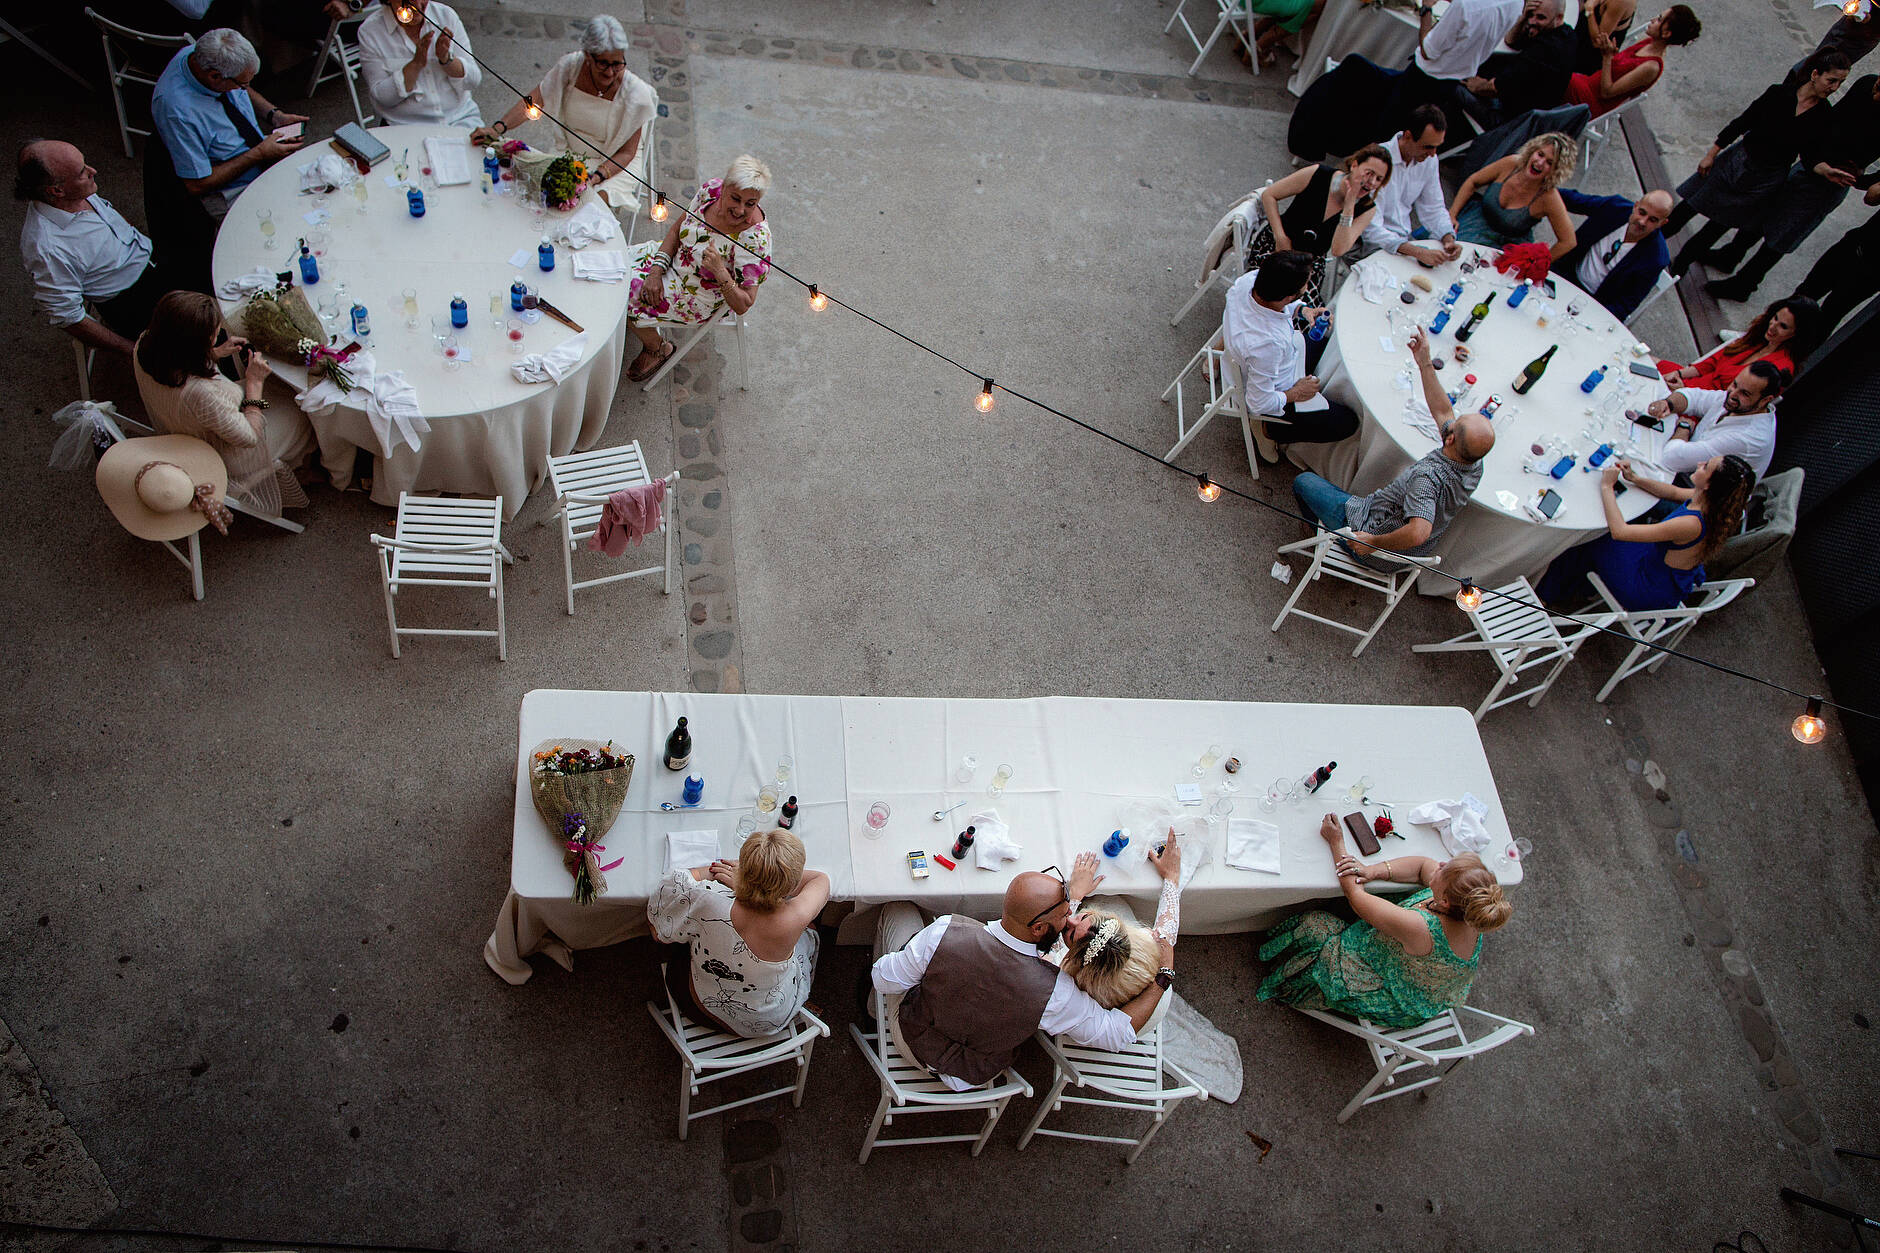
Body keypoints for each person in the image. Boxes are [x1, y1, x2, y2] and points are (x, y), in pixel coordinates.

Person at [869, 858, 1172, 1090]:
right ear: (1039, 928)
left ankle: (873, 1009)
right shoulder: (1057, 992)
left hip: (914, 1045)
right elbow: (1117, 1033)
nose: (1070, 918)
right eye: (1065, 914)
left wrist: (924, 958)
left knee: (898, 911)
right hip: (975, 1072)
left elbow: (883, 979)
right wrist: (1164, 976)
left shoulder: (944, 931)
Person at [1256, 816, 1512, 1029]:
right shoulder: (1468, 907)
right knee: (1377, 896)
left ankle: (1291, 986)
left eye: (1444, 870)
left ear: (1444, 902)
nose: (1441, 864)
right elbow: (1423, 866)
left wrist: (1336, 842)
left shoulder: (1421, 928)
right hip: (1412, 969)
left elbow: (1355, 896)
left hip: (1391, 989)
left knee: (1315, 925)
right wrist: (1373, 870)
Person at [1290, 328, 1496, 566]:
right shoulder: (1473, 462)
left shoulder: (1427, 479)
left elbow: (1419, 532)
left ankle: (1319, 532)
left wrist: (1372, 543)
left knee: (1304, 481)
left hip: (1373, 543)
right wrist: (1424, 363)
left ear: (1450, 440)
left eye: (1456, 423)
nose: (1451, 420)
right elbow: (1443, 410)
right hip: (1409, 553)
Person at [1665, 51, 1849, 278]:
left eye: (1840, 83)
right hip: (1738, 161)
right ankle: (1646, 240)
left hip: (1767, 179)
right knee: (1690, 206)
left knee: (1719, 225)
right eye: (1831, 80)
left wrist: (1825, 169)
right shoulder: (1779, 93)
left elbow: (1810, 155)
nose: (1834, 88)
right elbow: (1744, 121)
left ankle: (1682, 263)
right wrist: (1712, 153)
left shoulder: (1823, 115)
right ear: (1815, 75)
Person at [132, 291, 316, 517]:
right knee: (300, 407)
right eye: (213, 335)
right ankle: (304, 466)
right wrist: (254, 383)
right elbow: (249, 437)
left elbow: (177, 362)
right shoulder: (201, 393)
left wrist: (214, 353)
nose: (217, 334)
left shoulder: (146, 344)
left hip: (181, 424)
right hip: (226, 454)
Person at [1704, 72, 1880, 305]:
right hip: (1812, 162)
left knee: (1784, 233)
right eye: (1879, 85)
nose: (1876, 90)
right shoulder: (1866, 83)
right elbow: (1832, 119)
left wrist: (1858, 180)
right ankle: (1731, 254)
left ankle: (1745, 283)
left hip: (1830, 183)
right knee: (1765, 209)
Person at [646, 828, 828, 1038]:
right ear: (792, 885)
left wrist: (746, 883)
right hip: (770, 1019)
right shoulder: (795, 916)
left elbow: (669, 893)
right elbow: (821, 879)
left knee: (680, 934)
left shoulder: (707, 900)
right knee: (810, 929)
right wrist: (769, 882)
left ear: (743, 871)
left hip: (704, 1009)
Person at [470, 16, 656, 214]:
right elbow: (534, 100)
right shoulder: (570, 67)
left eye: (617, 64)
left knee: (590, 206)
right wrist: (498, 129)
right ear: (588, 55)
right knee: (541, 197)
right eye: (603, 64)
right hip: (569, 152)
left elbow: (627, 153)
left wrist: (595, 177)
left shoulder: (636, 94)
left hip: (615, 162)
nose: (610, 72)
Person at [624, 154, 773, 382]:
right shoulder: (710, 191)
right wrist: (656, 271)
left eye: (750, 203)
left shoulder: (755, 238)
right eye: (735, 198)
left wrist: (720, 271)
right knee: (615, 264)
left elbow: (744, 304)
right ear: (724, 188)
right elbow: (676, 230)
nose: (741, 210)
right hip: (672, 259)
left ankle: (657, 348)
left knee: (620, 295)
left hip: (697, 296)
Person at [1538, 453, 1756, 609]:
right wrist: (1635, 478)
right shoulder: (1713, 503)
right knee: (1612, 528)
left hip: (1646, 585)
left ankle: (1546, 596)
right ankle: (1578, 587)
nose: (1699, 464)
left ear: (1710, 485)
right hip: (1657, 561)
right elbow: (1673, 492)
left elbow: (1620, 532)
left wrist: (1606, 487)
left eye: (1705, 467)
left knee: (1589, 539)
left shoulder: (1691, 523)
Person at [16, 140, 171, 359]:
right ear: (57, 190)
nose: (93, 171)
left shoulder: (76, 191)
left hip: (150, 256)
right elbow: (69, 317)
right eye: (82, 172)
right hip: (132, 299)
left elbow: (113, 221)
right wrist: (134, 351)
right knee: (208, 336)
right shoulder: (46, 248)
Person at [1222, 250, 1361, 464]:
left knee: (1327, 345)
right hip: (1265, 387)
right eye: (1303, 289)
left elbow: (1279, 303)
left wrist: (1303, 310)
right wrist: (1296, 393)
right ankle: (1268, 430)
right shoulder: (1267, 345)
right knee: (1348, 424)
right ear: (1287, 297)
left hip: (1263, 360)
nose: (1307, 288)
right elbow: (1258, 403)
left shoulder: (1250, 281)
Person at [150, 29, 308, 217]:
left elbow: (242, 87)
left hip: (256, 149)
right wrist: (259, 154)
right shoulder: (177, 112)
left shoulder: (205, 54)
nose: (245, 89)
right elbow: (196, 184)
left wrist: (274, 115)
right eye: (242, 85)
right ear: (215, 77)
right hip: (231, 189)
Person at [1248, 144, 1393, 304]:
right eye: (1369, 173)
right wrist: (1280, 236)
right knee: (1270, 293)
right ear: (1354, 165)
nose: (1371, 182)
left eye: (1378, 179)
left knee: (1302, 311)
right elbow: (1269, 195)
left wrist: (1349, 206)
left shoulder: (1367, 209)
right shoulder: (1318, 174)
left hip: (1309, 264)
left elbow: (1338, 250)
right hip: (1277, 244)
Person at [1061, 839, 1184, 1010]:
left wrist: (1074, 895)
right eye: (1084, 917)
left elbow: (1053, 949)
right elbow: (1168, 927)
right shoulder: (1152, 946)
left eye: (1071, 934)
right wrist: (1171, 877)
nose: (1068, 919)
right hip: (1155, 996)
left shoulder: (1071, 987)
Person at [1389, 0, 1528, 124]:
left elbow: (1428, 51)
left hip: (1424, 78)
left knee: (1391, 124)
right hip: (1452, 84)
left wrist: (1426, 8)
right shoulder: (1517, 3)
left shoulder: (1464, 5)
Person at [1360, 105, 1465, 267]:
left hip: (1403, 241)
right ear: (1408, 136)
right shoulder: (1377, 161)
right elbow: (1370, 229)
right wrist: (1416, 252)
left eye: (1437, 146)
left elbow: (1434, 208)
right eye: (1428, 146)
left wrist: (1448, 239)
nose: (1433, 153)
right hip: (1368, 245)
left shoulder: (1429, 161)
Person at [1451, 0, 1577, 131]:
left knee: (1450, 81)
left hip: (1509, 123)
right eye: (1531, 15)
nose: (1532, 21)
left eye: (1540, 17)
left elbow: (1493, 89)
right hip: (1528, 112)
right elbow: (1511, 41)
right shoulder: (1567, 34)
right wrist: (1523, 17)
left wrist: (1474, 85)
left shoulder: (1543, 51)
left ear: (1559, 17)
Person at [1647, 361, 1787, 478]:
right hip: (1684, 463)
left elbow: (1672, 459)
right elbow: (1696, 397)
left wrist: (1684, 428)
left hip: (1691, 491)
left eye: (1744, 393)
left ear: (1765, 400)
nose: (1732, 394)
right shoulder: (1741, 403)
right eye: (1734, 384)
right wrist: (1668, 404)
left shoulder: (1747, 439)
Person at [356, 0, 483, 129]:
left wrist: (446, 59)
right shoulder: (371, 31)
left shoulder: (445, 15)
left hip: (459, 119)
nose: (417, 6)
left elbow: (474, 80)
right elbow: (382, 97)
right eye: (408, 1)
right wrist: (416, 64)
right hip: (406, 127)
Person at [1448, 132, 1579, 256]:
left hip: (1506, 246)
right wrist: (1452, 214)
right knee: (1449, 248)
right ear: (1532, 151)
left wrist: (1538, 264)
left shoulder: (1549, 197)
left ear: (1556, 171)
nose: (1540, 163)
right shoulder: (1511, 164)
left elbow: (1568, 241)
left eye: (1549, 163)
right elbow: (1473, 182)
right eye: (1540, 154)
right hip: (1475, 222)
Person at [1565, 5, 1702, 120]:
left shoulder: (1651, 67)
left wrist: (1607, 58)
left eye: (1659, 20)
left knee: (1556, 72)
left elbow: (1607, 92)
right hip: (1587, 83)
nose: (1652, 20)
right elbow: (1620, 65)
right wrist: (1610, 53)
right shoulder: (1648, 42)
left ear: (1666, 33)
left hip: (1590, 101)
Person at [1555, 188, 1673, 320]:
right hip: (1563, 275)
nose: (1642, 222)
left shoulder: (1656, 259)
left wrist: (1593, 318)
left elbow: (1625, 304)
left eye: (1652, 220)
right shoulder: (1614, 207)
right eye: (1642, 213)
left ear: (1662, 223)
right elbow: (1576, 201)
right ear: (1635, 206)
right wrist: (1543, 186)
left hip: (1596, 306)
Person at [1655, 296, 1818, 392]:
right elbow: (1712, 362)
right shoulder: (1759, 337)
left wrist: (1685, 391)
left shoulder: (1779, 369)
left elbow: (1733, 402)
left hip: (1699, 405)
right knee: (1646, 361)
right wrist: (1680, 373)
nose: (1773, 326)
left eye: (1783, 326)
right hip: (1691, 383)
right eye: (1775, 318)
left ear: (1796, 334)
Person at [1794, 185, 1880, 334]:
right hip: (1853, 246)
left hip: (1871, 274)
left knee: (1830, 315)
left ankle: (1800, 347)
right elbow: (1870, 198)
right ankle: (1761, 339)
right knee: (1804, 294)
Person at [1570, 0, 1637, 76]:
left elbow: (1597, 41)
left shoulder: (1620, 2)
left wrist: (1589, 11)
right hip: (1580, 33)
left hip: (1588, 54)